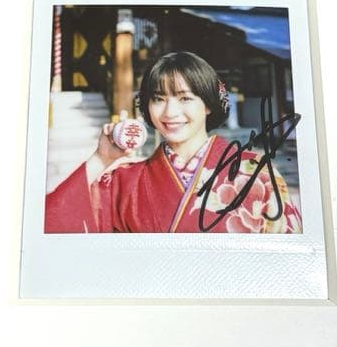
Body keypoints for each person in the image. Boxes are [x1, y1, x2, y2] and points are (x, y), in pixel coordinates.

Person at [45, 51, 302, 234]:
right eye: (158, 99)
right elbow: (49, 225)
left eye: (185, 98)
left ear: (208, 105)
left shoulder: (257, 172)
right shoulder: (123, 181)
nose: (170, 112)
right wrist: (100, 159)